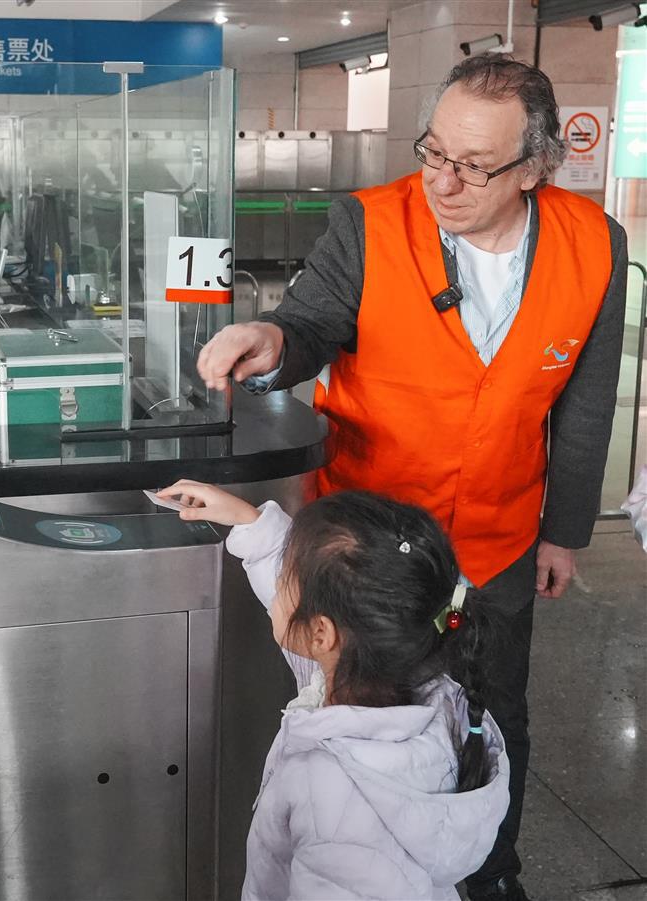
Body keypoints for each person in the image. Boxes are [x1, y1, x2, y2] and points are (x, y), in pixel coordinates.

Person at [196, 55, 627, 901]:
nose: (444, 182)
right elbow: (311, 320)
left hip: (500, 538)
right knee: (365, 718)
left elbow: (584, 400)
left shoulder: (594, 244)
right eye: (434, 152)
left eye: (475, 165)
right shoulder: (368, 222)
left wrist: (564, 530)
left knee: (498, 709)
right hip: (373, 549)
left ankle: (489, 870)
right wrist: (273, 345)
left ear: (536, 167)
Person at [157, 479, 511, 899]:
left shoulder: (340, 806)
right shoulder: (397, 683)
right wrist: (251, 523)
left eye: (289, 572)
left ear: (322, 632)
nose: (280, 584)